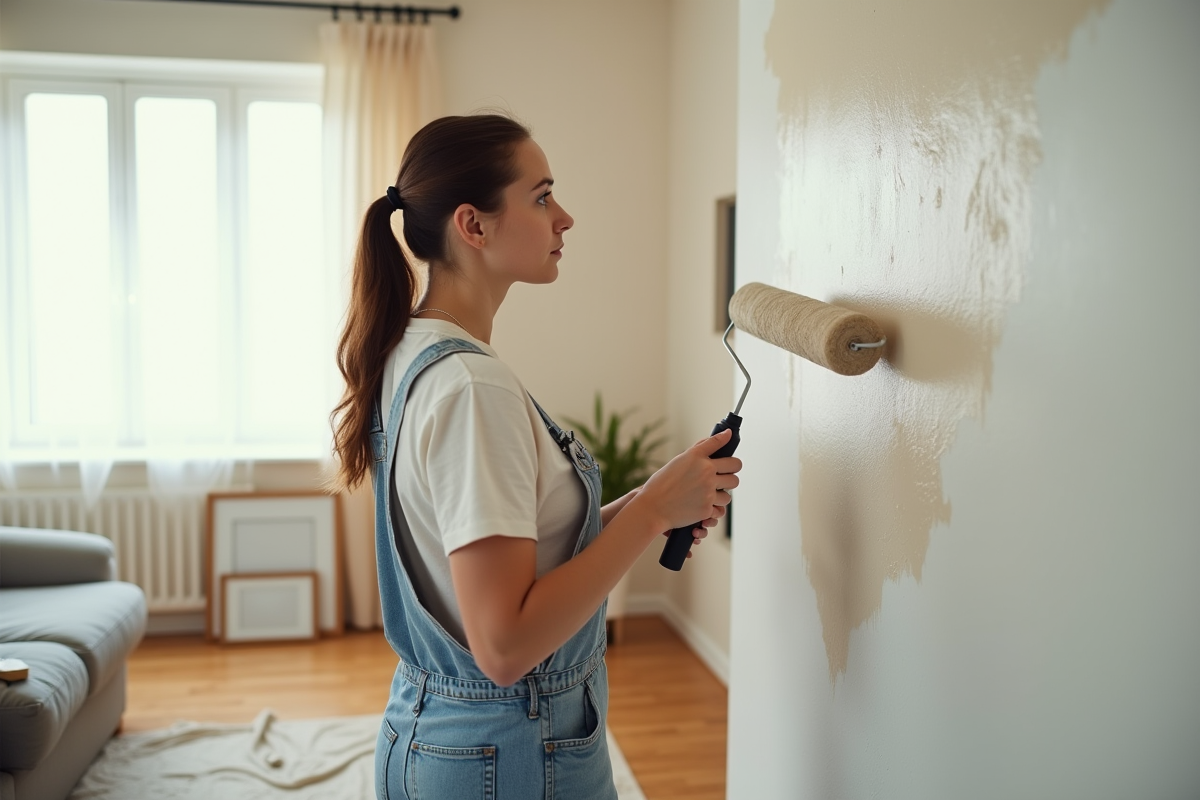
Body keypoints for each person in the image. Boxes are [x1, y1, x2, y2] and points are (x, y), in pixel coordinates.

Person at [330, 114, 742, 800]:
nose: (566, 218)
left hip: (446, 739)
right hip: (507, 752)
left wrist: (651, 502)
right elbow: (506, 647)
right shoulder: (471, 387)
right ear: (474, 225)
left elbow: (523, 559)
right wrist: (647, 520)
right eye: (543, 196)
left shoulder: (411, 352)